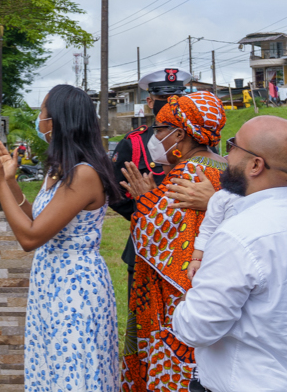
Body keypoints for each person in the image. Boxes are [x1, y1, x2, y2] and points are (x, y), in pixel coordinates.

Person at [172, 115, 287, 392]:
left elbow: (197, 329)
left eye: (232, 146)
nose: (226, 157)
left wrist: (187, 297)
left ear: (255, 165)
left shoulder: (238, 234)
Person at [0, 85, 120, 391]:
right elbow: (38, 220)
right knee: (52, 366)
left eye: (42, 113)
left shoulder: (84, 174)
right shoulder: (58, 170)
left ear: (58, 122)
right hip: (51, 281)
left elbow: (30, 237)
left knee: (73, 370)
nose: (39, 119)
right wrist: (10, 182)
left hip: (75, 286)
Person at [118, 91, 227, 391]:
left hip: (179, 301)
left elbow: (159, 238)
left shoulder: (186, 173)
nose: (155, 137)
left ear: (179, 134)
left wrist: (144, 202)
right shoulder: (225, 167)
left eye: (159, 130)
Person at [109, 68, 203, 360]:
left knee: (187, 326)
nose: (170, 102)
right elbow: (116, 193)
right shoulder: (135, 143)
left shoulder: (199, 135)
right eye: (164, 98)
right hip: (145, 248)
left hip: (194, 246)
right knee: (144, 330)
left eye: (177, 97)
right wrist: (149, 213)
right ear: (151, 102)